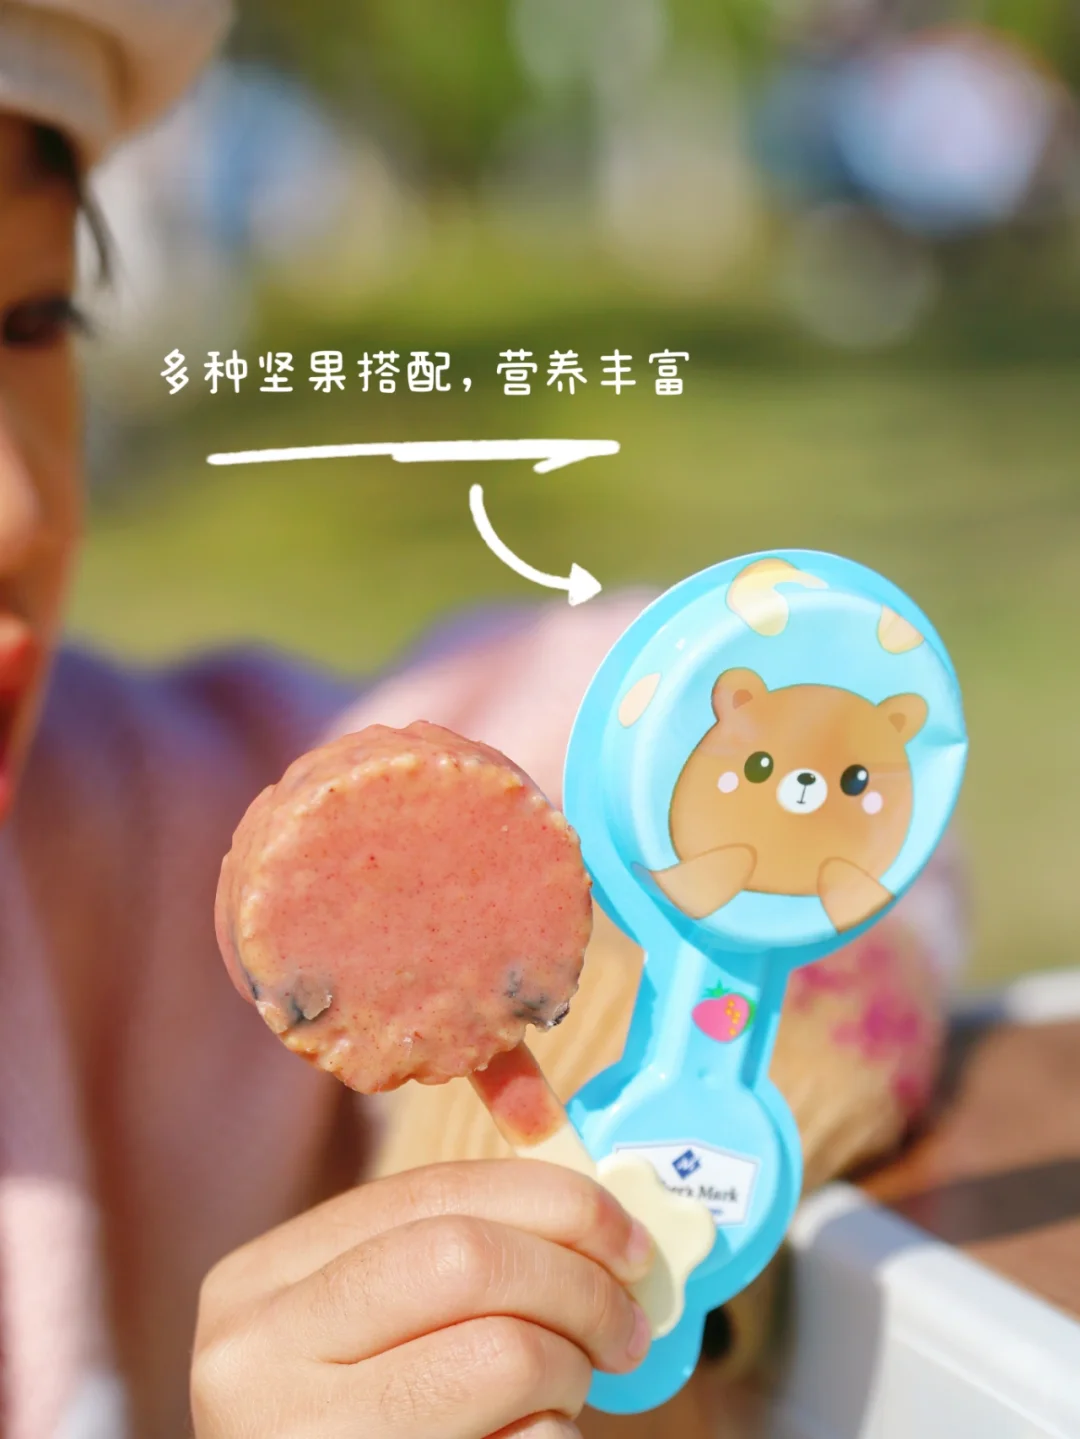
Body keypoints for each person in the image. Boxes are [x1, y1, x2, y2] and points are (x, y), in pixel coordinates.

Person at [0, 4, 966, 1438]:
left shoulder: (127, 831)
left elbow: (706, 759)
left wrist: (601, 1223)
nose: (20, 506)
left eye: (30, 321)